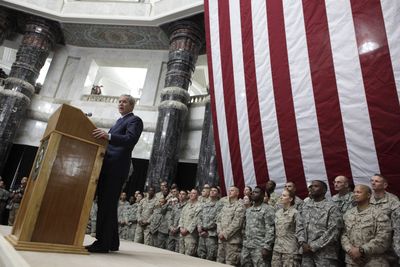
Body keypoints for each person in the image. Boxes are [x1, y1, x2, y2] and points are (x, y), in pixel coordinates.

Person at [86, 94, 143, 253]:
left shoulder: (134, 120)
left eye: (124, 102)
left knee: (107, 204)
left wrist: (108, 135)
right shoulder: (119, 121)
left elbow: (130, 139)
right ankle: (112, 242)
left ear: (131, 105)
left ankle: (102, 243)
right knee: (107, 204)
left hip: (116, 168)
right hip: (108, 166)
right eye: (119, 101)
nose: (120, 104)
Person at [341, 184, 392, 266]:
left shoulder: (379, 213)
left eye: (359, 192)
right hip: (352, 261)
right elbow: (344, 235)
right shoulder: (348, 213)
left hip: (373, 261)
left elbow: (384, 238)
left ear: (368, 195)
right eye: (354, 192)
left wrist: (361, 250)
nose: (355, 194)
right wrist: (351, 250)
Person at [297, 180, 342, 266]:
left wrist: (312, 246)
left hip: (325, 254)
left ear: (324, 190)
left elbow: (333, 231)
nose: (312, 188)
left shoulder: (332, 207)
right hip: (306, 254)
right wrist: (302, 242)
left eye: (316, 186)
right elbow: (299, 226)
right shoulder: (304, 206)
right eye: (311, 186)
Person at [241, 186, 275, 267]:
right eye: (253, 192)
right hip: (247, 246)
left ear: (262, 195)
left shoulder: (268, 209)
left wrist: (266, 247)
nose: (253, 193)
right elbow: (244, 227)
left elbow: (271, 229)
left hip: (259, 248)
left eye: (256, 192)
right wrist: (244, 241)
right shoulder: (248, 210)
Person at [272, 189, 301, 267]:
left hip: (289, 250)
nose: (281, 197)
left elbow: (300, 231)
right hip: (277, 249)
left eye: (284, 196)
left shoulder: (295, 213)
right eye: (281, 195)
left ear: (291, 199)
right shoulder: (278, 213)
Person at [217, 186, 245, 265]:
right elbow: (218, 220)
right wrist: (219, 232)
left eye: (232, 190)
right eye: (229, 191)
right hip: (221, 240)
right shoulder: (225, 206)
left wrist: (225, 234)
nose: (229, 192)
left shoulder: (240, 206)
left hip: (232, 241)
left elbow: (237, 223)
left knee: (230, 263)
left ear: (237, 193)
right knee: (219, 263)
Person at [197, 186, 222, 261]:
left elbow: (218, 220)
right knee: (200, 255)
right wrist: (199, 227)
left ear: (218, 194)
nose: (212, 191)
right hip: (202, 235)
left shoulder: (220, 205)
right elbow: (199, 216)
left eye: (214, 191)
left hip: (211, 235)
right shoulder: (204, 204)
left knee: (210, 257)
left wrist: (206, 231)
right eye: (211, 190)